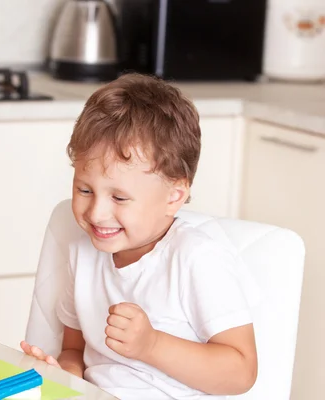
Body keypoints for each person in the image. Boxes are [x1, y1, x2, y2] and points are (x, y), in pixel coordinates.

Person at [20, 73, 261, 399]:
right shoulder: (83, 252)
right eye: (85, 189)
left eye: (119, 198)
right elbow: (75, 349)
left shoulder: (196, 258)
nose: (96, 213)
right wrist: (63, 375)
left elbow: (241, 372)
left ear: (174, 197)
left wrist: (152, 345)